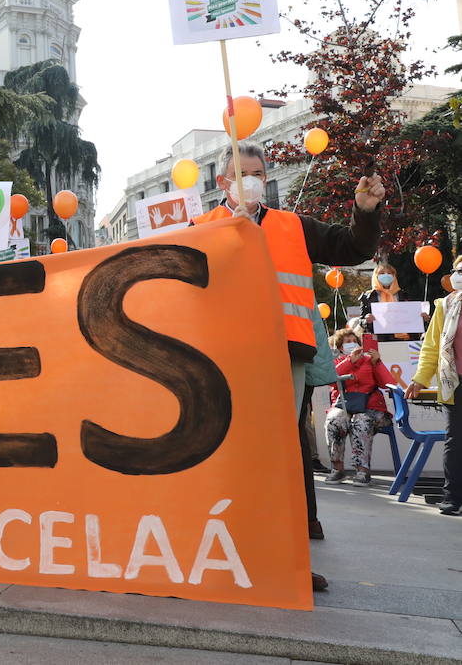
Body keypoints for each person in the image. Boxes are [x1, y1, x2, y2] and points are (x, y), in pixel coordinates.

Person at [192, 142, 384, 591]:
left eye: (258, 172)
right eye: (242, 173)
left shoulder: (293, 226)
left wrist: (365, 209)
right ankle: (234, 545)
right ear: (222, 182)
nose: (251, 180)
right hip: (227, 358)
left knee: (281, 453)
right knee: (234, 452)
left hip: (286, 354)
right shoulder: (199, 229)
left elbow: (352, 246)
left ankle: (289, 555)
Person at [406, 254, 462, 515]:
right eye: (458, 270)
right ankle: (452, 497)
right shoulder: (446, 305)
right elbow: (431, 347)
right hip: (455, 382)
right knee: (456, 440)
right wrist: (420, 379)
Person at [322, 329, 395, 486]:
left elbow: (388, 383)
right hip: (345, 407)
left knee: (360, 422)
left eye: (353, 340)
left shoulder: (370, 360)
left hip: (372, 409)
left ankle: (363, 471)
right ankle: (337, 469)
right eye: (347, 342)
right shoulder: (338, 363)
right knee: (334, 421)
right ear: (340, 347)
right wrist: (350, 361)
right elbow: (331, 380)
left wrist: (378, 362)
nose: (351, 344)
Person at [358, 260, 420, 341]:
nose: (386, 275)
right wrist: (366, 320)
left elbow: (412, 317)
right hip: (378, 339)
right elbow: (361, 321)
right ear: (376, 276)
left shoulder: (404, 295)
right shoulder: (368, 297)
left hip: (401, 340)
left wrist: (421, 318)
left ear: (394, 276)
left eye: (389, 273)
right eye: (382, 273)